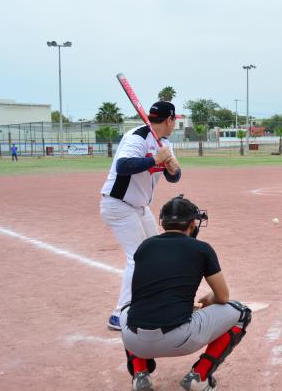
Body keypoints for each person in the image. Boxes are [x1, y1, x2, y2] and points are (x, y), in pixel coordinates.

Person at [120, 195, 251, 391]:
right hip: (179, 339)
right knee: (241, 312)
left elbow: (146, 294)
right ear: (192, 224)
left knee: (128, 309)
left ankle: (140, 375)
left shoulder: (145, 247)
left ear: (162, 222)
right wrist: (207, 300)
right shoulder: (201, 249)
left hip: (134, 341)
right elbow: (222, 297)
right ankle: (199, 376)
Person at [100, 101, 182, 331]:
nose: (174, 124)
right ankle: (120, 313)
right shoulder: (136, 137)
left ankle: (153, 302)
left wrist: (172, 168)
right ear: (169, 120)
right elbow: (123, 165)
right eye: (174, 120)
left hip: (139, 207)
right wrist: (156, 160)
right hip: (118, 204)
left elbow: (174, 178)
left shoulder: (164, 143)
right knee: (138, 256)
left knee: (157, 252)